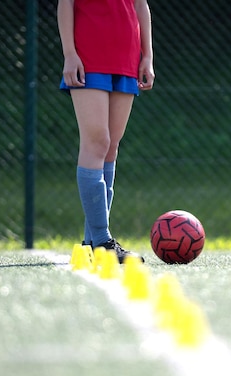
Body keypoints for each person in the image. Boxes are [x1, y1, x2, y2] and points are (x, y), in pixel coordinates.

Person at [57, 0, 155, 263]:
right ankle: (102, 241)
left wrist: (147, 55)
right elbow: (65, 4)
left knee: (111, 147)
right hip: (88, 55)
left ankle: (92, 242)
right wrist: (69, 54)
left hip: (127, 56)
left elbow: (140, 5)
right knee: (97, 143)